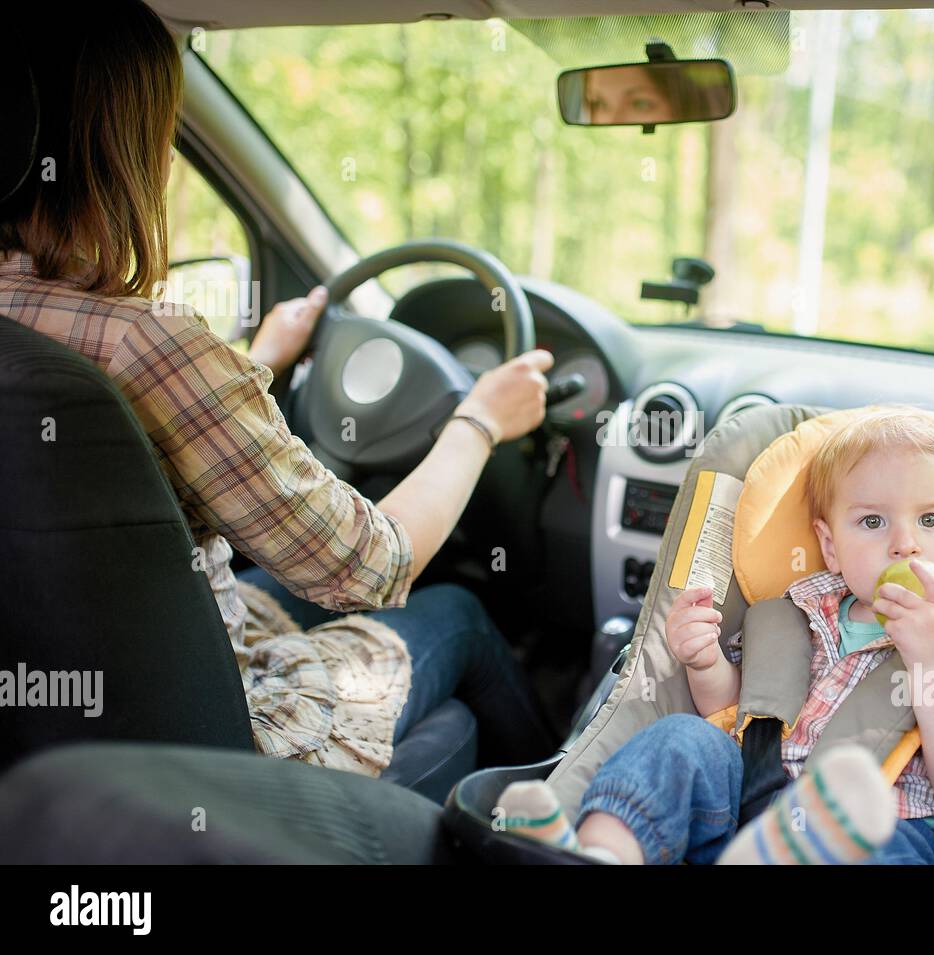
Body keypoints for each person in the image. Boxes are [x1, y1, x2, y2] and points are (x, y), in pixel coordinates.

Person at [0, 3, 558, 776]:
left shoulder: (47, 328)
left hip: (62, 728)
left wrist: (253, 358)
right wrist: (480, 419)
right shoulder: (150, 340)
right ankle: (558, 819)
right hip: (213, 745)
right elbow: (371, 564)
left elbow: (138, 425)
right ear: (127, 147)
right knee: (458, 610)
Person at [498, 406, 934, 863]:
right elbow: (736, 714)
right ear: (829, 545)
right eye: (873, 522)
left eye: (931, 519)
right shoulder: (793, 616)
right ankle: (600, 851)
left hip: (877, 835)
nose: (905, 544)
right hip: (741, 813)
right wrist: (705, 664)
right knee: (683, 740)